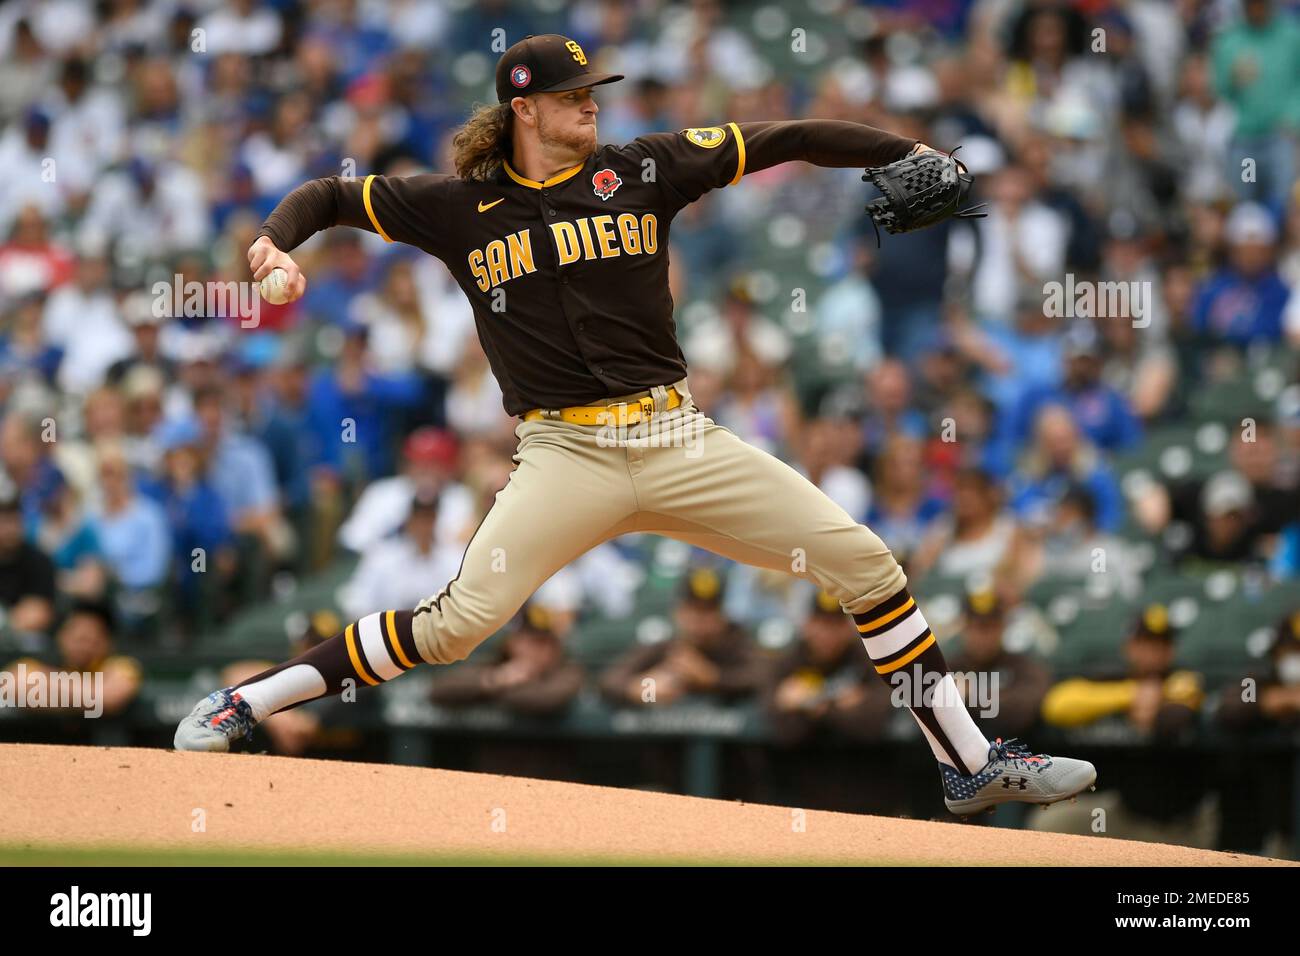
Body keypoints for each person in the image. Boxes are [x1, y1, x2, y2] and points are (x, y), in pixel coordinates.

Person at [174, 33, 1095, 815]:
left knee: (867, 564)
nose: (594, 108)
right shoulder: (458, 208)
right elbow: (335, 197)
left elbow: (787, 137)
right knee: (457, 626)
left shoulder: (644, 167)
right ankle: (244, 703)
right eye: (576, 97)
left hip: (678, 440)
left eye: (594, 93)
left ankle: (970, 764)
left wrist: (892, 148)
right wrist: (272, 242)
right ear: (525, 108)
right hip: (563, 454)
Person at [599, 567, 764, 708]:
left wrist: (712, 677)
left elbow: (762, 677)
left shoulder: (737, 644)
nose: (699, 620)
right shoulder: (668, 647)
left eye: (708, 611)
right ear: (679, 612)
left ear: (723, 614)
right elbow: (609, 681)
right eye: (693, 611)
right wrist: (644, 690)